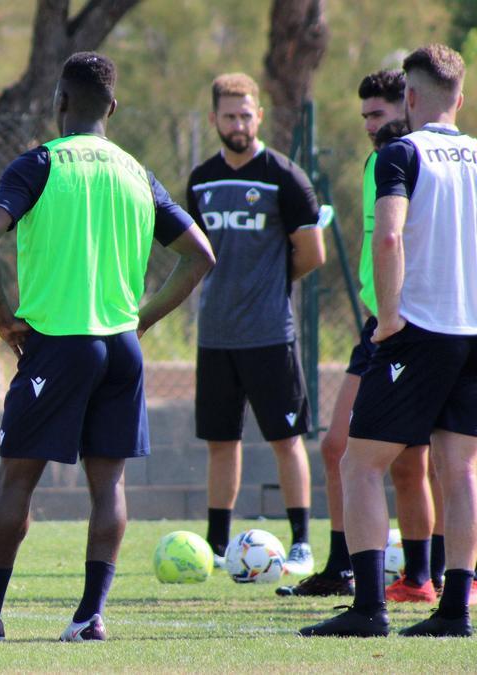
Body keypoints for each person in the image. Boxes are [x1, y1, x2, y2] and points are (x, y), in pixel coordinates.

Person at [0, 51, 214, 643]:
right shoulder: (138, 172)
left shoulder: (39, 163)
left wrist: (5, 318)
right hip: (120, 348)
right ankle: (90, 617)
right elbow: (200, 255)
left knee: (16, 481)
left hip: (59, 346)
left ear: (59, 102)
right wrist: (144, 317)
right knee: (108, 484)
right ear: (112, 107)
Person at [301, 44, 477, 639]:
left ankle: (369, 607)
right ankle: (453, 612)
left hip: (421, 330)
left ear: (410, 96)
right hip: (473, 333)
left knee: (358, 463)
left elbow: (389, 238)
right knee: (460, 472)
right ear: (460, 96)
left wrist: (390, 318)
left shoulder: (404, 152)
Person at [278, 71, 439, 601]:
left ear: (409, 105)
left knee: (423, 462)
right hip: (379, 326)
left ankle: (426, 575)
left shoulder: (422, 162)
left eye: (379, 114)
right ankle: (345, 566)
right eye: (366, 116)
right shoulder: (379, 163)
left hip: (416, 326)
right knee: (336, 446)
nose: (371, 125)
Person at [186, 72, 325, 576]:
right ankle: (216, 546)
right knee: (222, 442)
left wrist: (266, 283)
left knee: (286, 441)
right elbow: (194, 252)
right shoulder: (201, 179)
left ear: (259, 116)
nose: (238, 123)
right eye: (229, 115)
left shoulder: (285, 176)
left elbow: (312, 253)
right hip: (215, 336)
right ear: (214, 119)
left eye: (246, 114)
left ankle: (302, 543)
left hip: (270, 334)